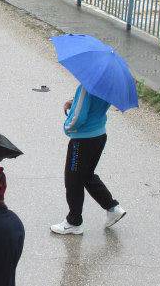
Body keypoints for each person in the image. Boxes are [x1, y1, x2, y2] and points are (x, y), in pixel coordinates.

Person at [50, 84, 126, 235]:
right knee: (86, 176)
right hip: (99, 135)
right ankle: (112, 208)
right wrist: (74, 102)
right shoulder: (106, 85)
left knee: (73, 180)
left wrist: (67, 127)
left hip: (83, 140)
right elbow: (93, 104)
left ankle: (74, 222)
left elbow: (78, 117)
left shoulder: (86, 86)